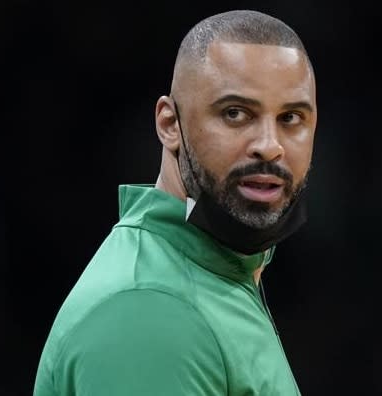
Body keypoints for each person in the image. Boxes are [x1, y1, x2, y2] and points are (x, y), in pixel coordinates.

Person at [33, 9, 317, 395]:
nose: (269, 145)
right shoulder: (150, 309)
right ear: (169, 125)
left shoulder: (216, 274)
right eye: (235, 113)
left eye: (291, 118)